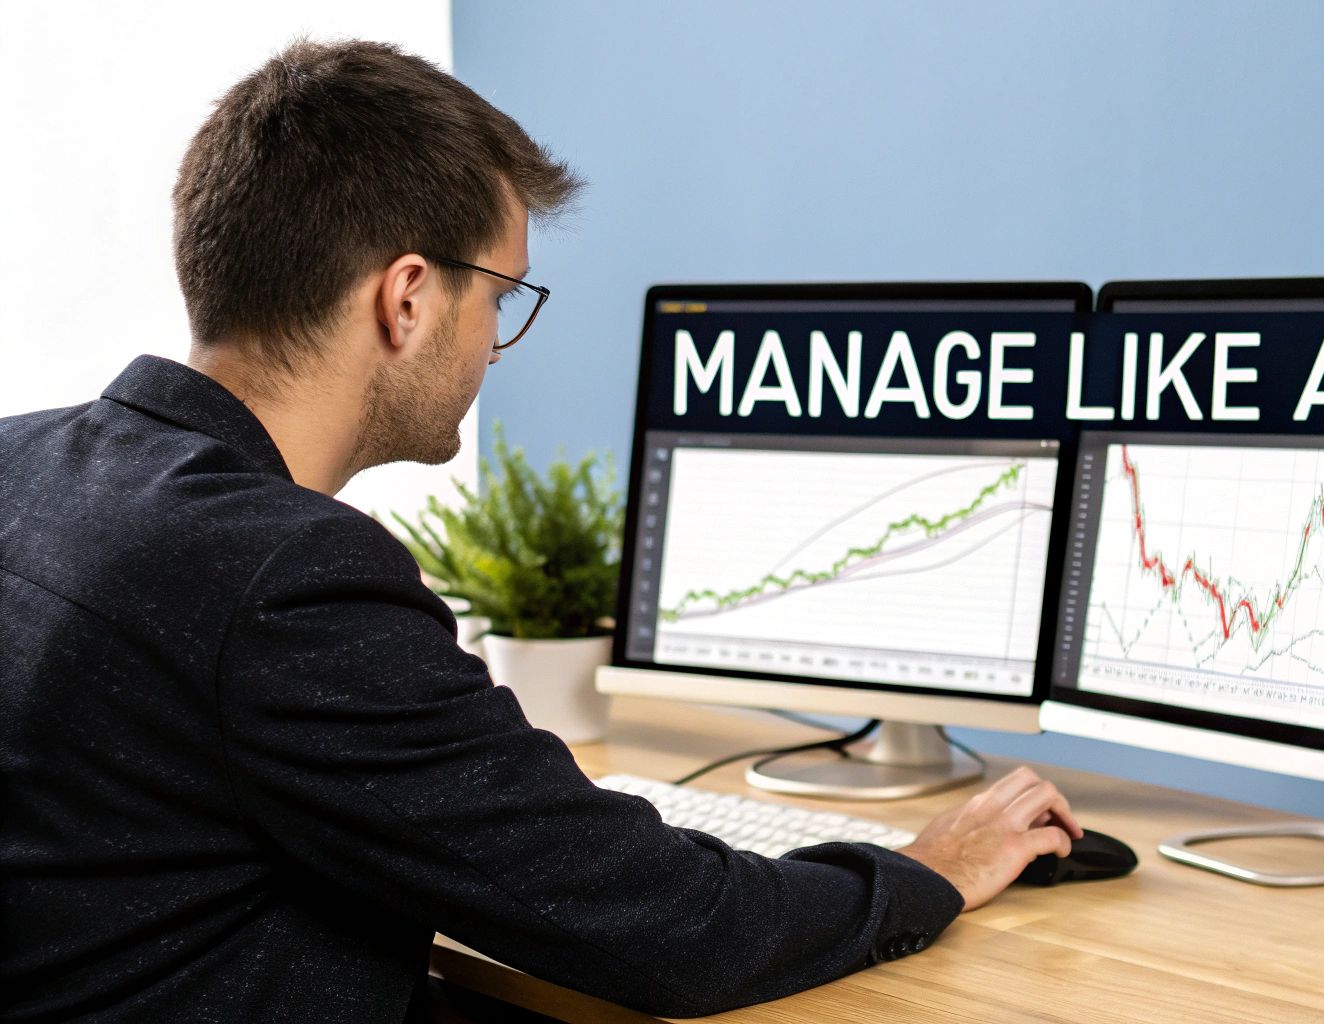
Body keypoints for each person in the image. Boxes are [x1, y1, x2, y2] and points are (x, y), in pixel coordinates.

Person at [0, 39, 1081, 1022]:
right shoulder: (283, 576)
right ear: (408, 300)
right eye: (501, 296)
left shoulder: (20, 463)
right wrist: (925, 867)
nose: (497, 347)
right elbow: (676, 931)